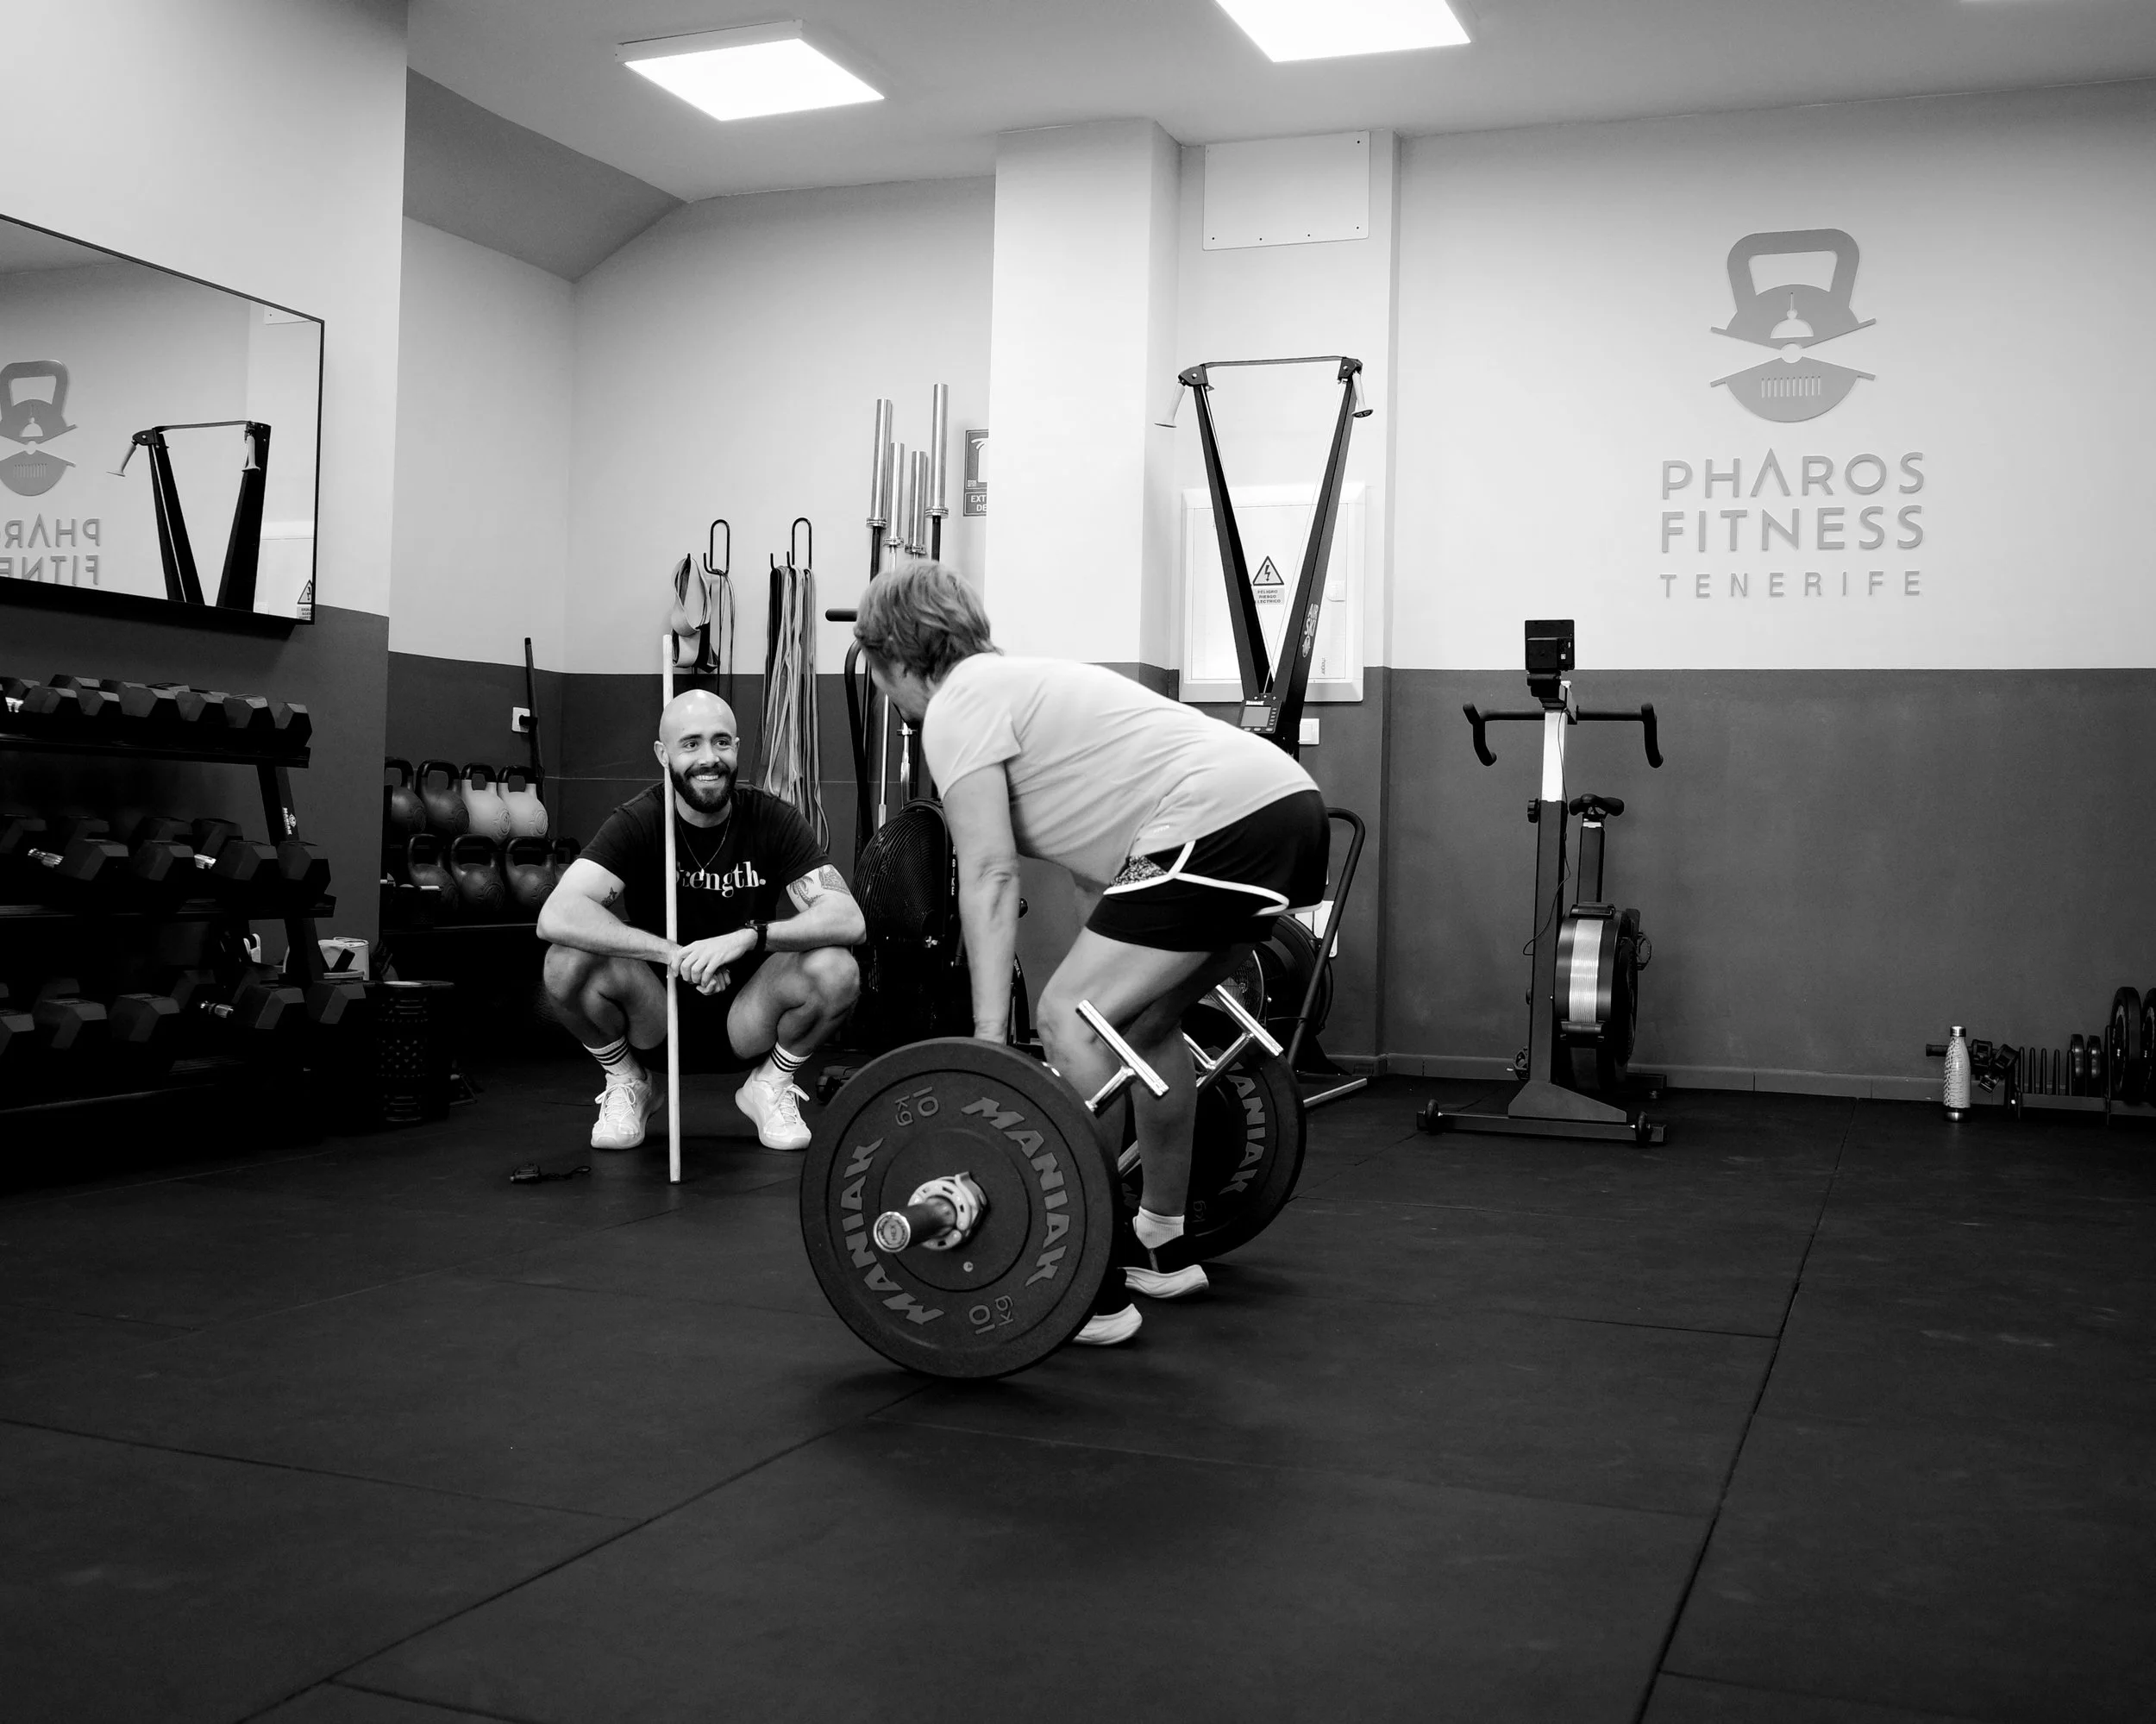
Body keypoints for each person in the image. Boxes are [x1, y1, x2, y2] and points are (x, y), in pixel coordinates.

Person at [854, 561, 1327, 1345]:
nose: (893, 698)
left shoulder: (958, 702)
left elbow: (989, 871)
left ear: (896, 658)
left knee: (1068, 1018)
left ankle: (1091, 1278)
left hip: (1216, 821)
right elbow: (1096, 872)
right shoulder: (1030, 689)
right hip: (1286, 808)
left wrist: (988, 1046)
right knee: (1140, 1027)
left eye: (884, 678)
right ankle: (1161, 1241)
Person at [536, 688, 864, 1153]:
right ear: (662, 753)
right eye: (690, 744)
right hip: (656, 1013)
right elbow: (556, 914)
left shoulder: (772, 819)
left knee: (837, 967)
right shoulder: (640, 820)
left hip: (747, 1015)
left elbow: (849, 919)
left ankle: (769, 1085)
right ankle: (629, 1080)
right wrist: (671, 954)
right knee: (564, 961)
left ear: (737, 746)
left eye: (721, 742)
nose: (709, 758)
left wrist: (750, 938)